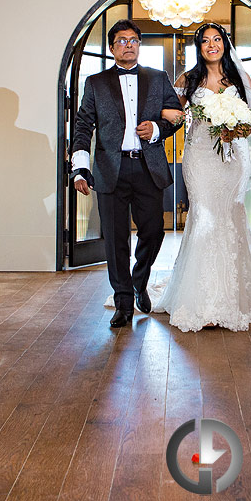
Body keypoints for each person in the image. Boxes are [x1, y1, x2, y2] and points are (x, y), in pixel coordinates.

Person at [153, 23, 251, 332]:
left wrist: (237, 127)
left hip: (233, 159)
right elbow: (174, 115)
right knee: (204, 216)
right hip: (201, 157)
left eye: (217, 39)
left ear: (225, 43)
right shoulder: (188, 80)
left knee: (229, 216)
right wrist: (167, 116)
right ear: (199, 47)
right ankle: (200, 298)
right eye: (205, 41)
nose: (211, 45)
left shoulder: (239, 79)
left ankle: (233, 295)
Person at [71, 19, 182, 328]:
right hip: (110, 170)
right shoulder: (95, 83)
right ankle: (123, 302)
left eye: (133, 40)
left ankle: (139, 279)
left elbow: (176, 117)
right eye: (122, 40)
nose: (128, 45)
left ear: (139, 45)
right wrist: (80, 168)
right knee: (116, 239)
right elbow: (82, 127)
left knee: (154, 230)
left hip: (149, 168)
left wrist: (157, 128)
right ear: (112, 47)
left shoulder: (158, 79)